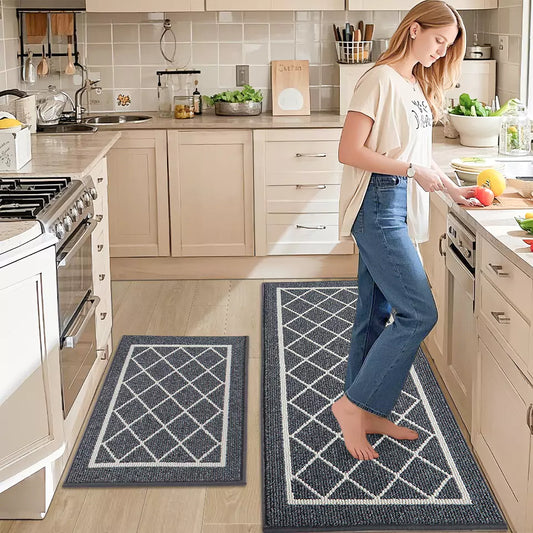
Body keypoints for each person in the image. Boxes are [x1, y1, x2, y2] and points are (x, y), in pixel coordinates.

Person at [332, 0, 482, 462]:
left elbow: (419, 154)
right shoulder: (379, 79)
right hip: (376, 206)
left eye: (448, 45)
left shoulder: (414, 83)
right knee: (420, 314)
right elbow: (349, 151)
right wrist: (414, 169)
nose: (442, 51)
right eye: (439, 40)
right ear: (414, 29)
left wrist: (452, 190)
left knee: (374, 313)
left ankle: (370, 409)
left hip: (395, 204)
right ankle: (352, 406)